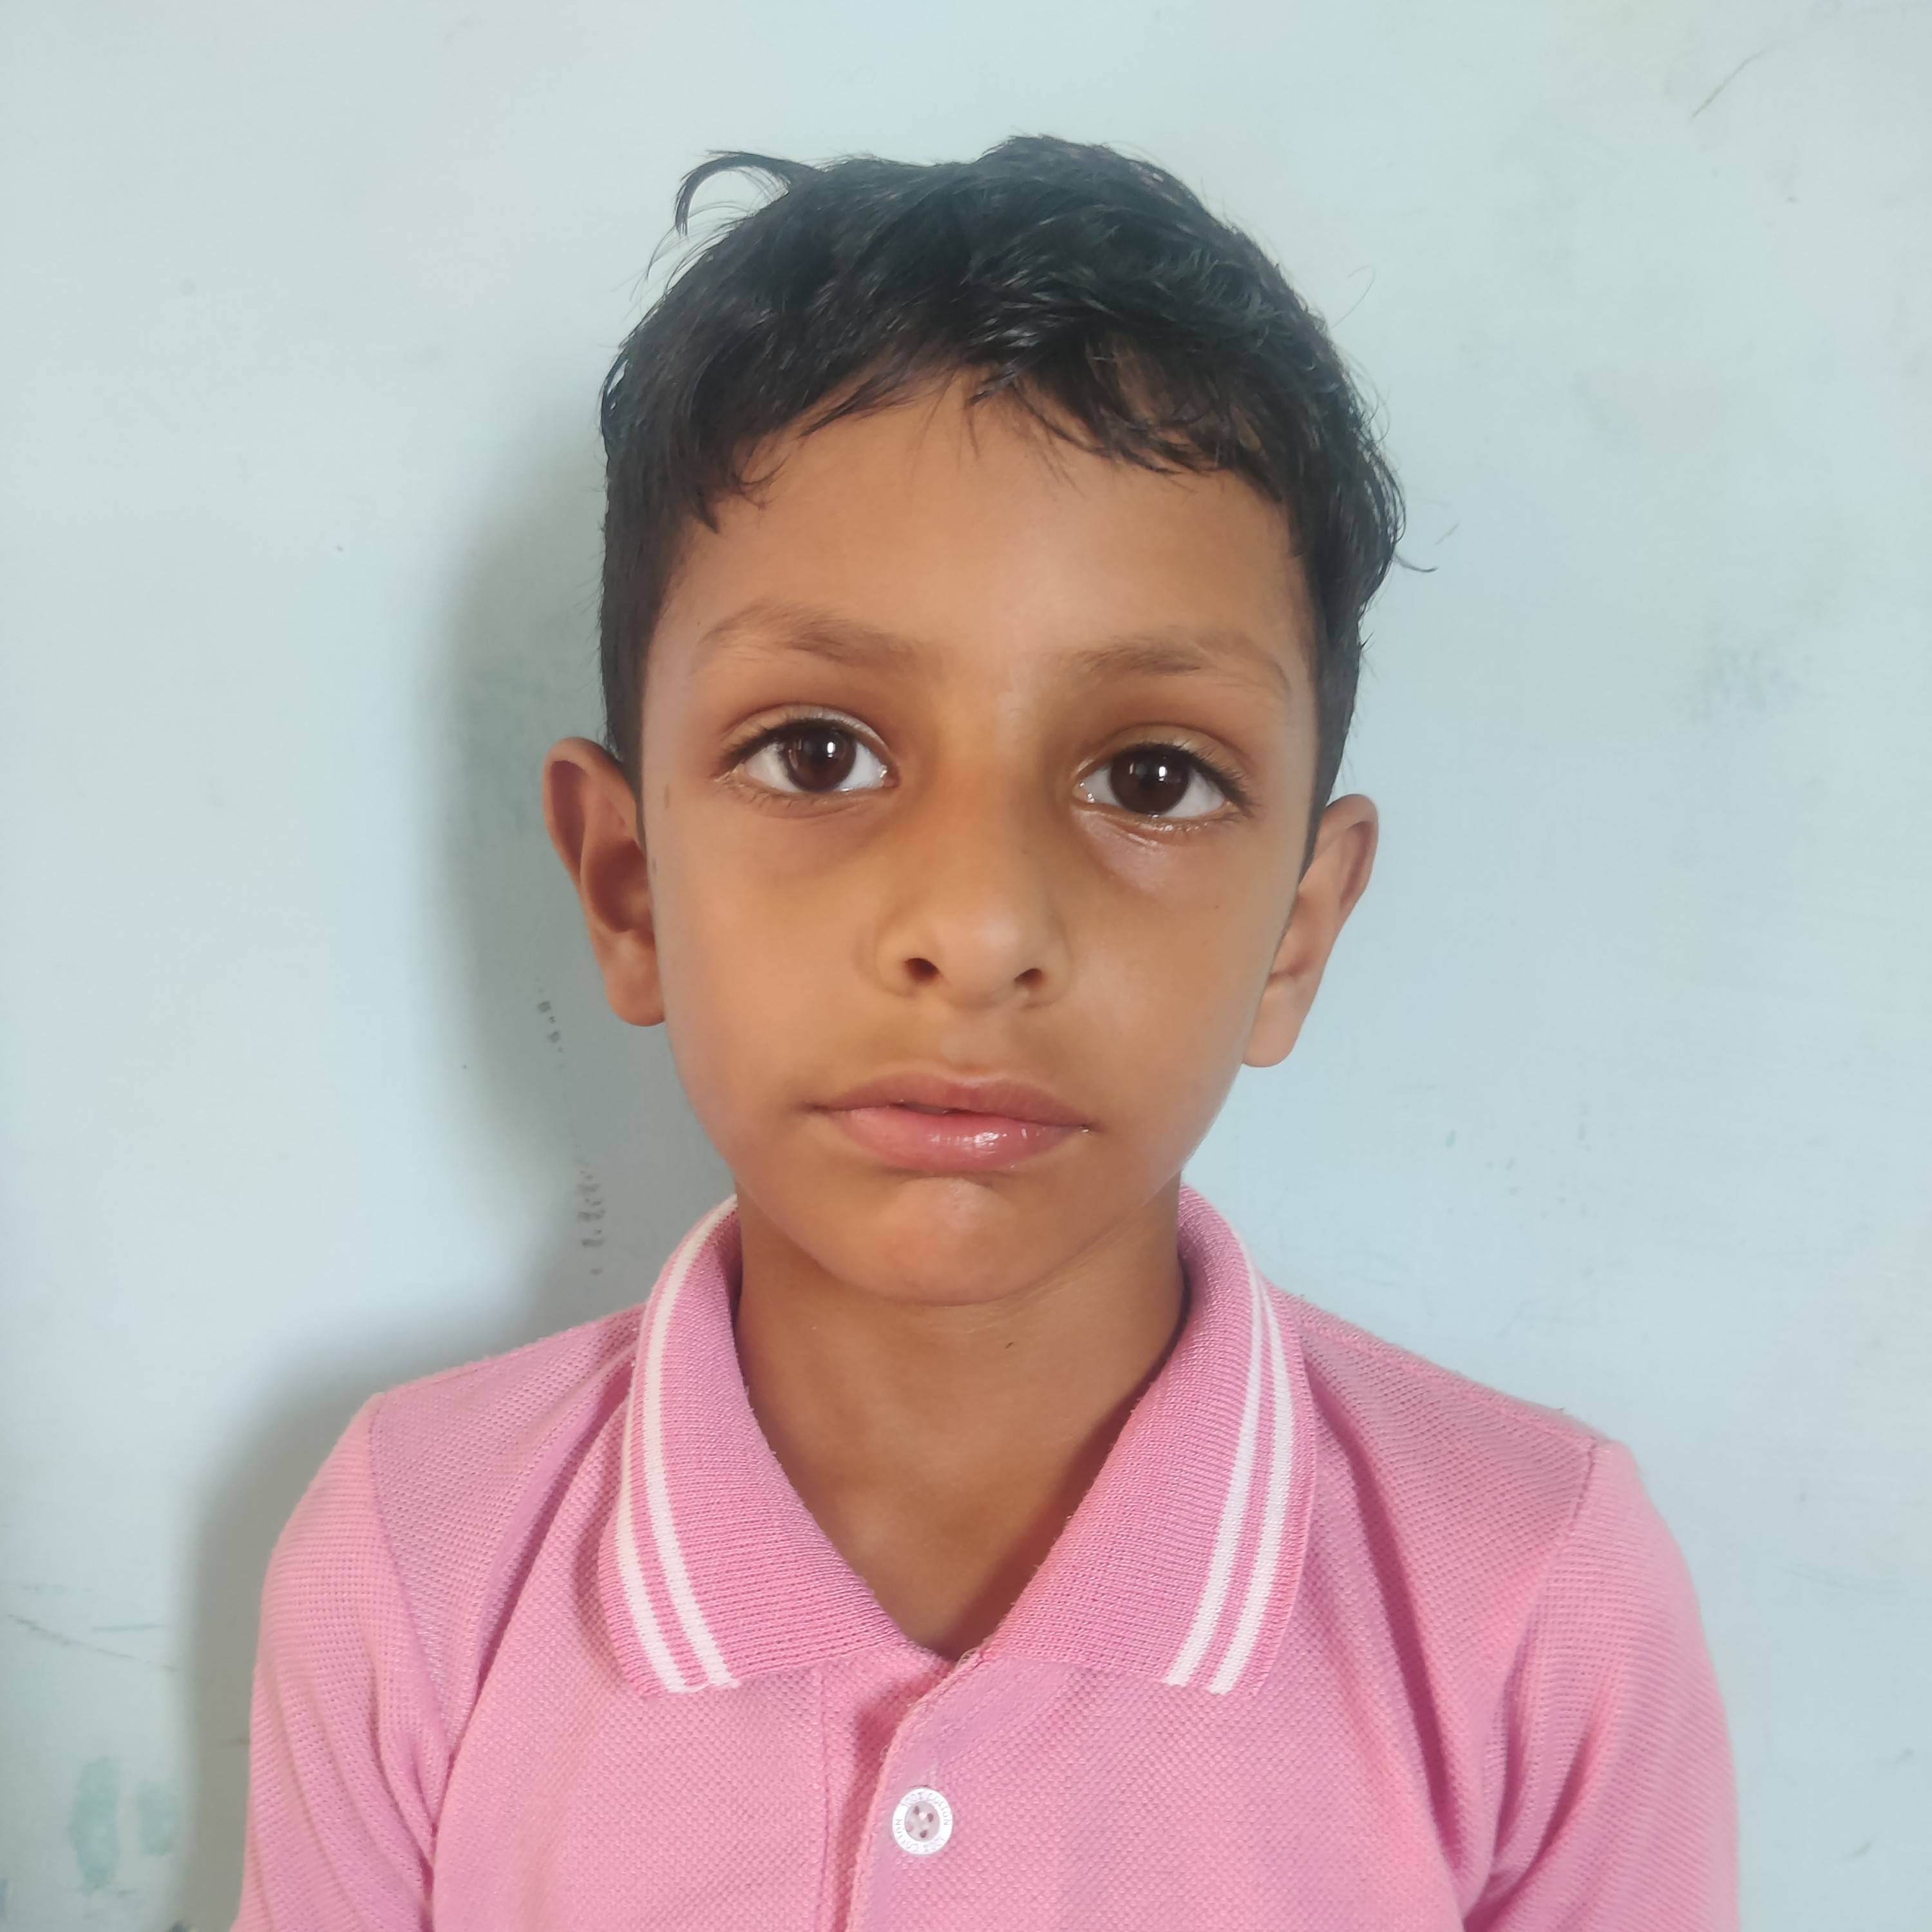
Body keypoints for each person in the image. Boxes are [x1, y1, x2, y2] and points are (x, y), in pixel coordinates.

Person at [230, 137, 1738, 1929]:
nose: (980, 926)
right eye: (818, 754)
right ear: (628, 887)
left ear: (1297, 933)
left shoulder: (1533, 1605)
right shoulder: (415, 1563)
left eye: (1151, 777)